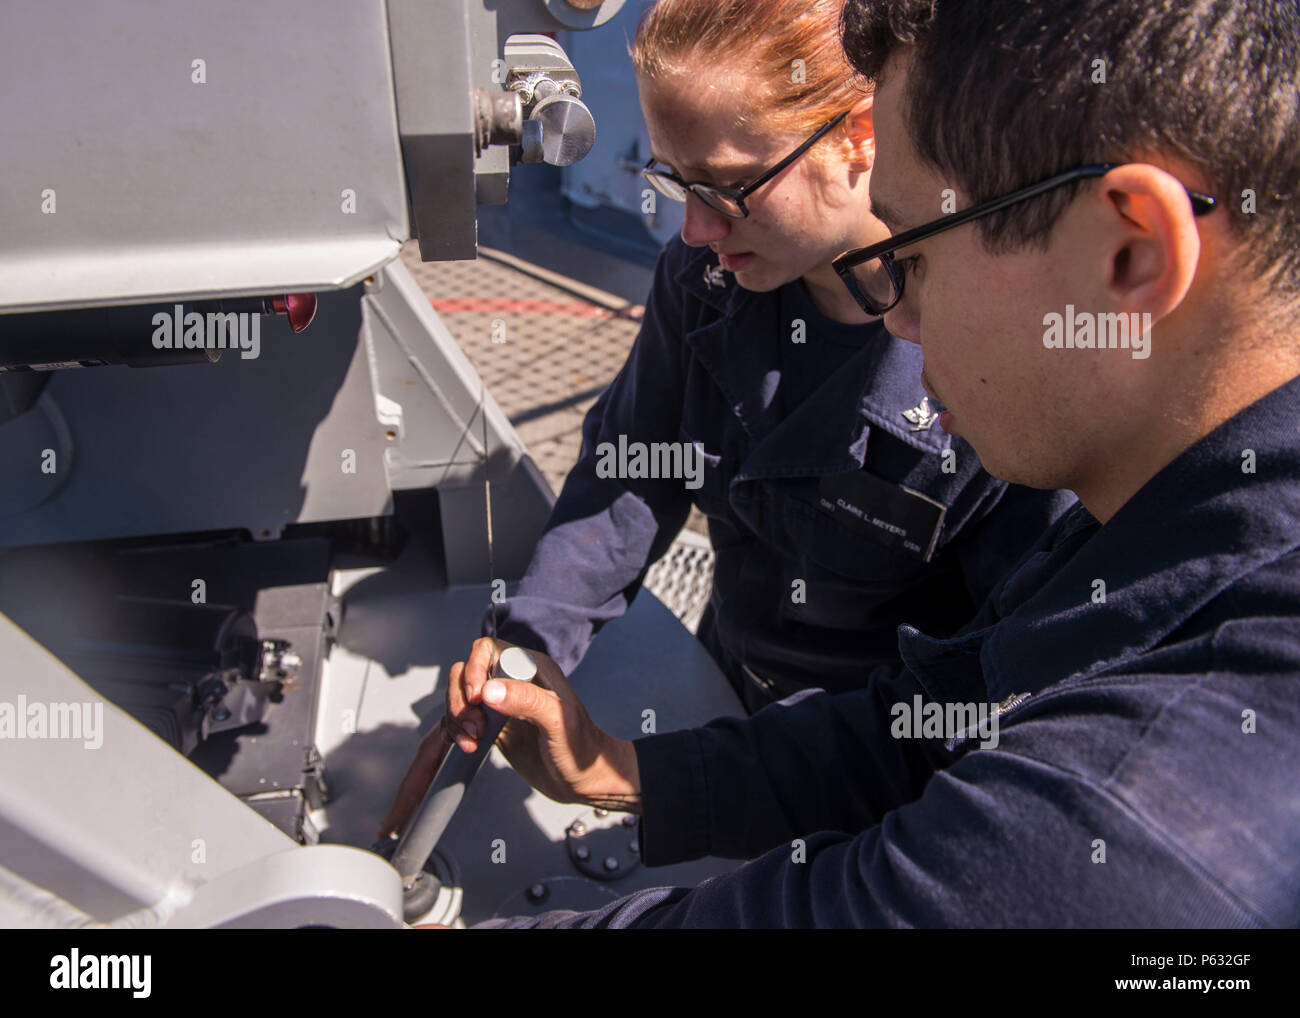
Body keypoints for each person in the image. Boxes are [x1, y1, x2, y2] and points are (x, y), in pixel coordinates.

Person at [434, 0, 1300, 927]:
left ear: (1127, 254)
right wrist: (622, 764)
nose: (893, 315)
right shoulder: (1145, 523)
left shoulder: (1138, 833)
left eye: (913, 257)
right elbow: (945, 711)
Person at [469, 0, 1073, 716]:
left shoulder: (999, 355)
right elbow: (635, 474)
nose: (694, 229)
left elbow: (1010, 668)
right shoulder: (704, 283)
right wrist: (533, 642)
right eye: (673, 180)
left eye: (725, 188)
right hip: (727, 685)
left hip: (879, 760)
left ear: (860, 137)